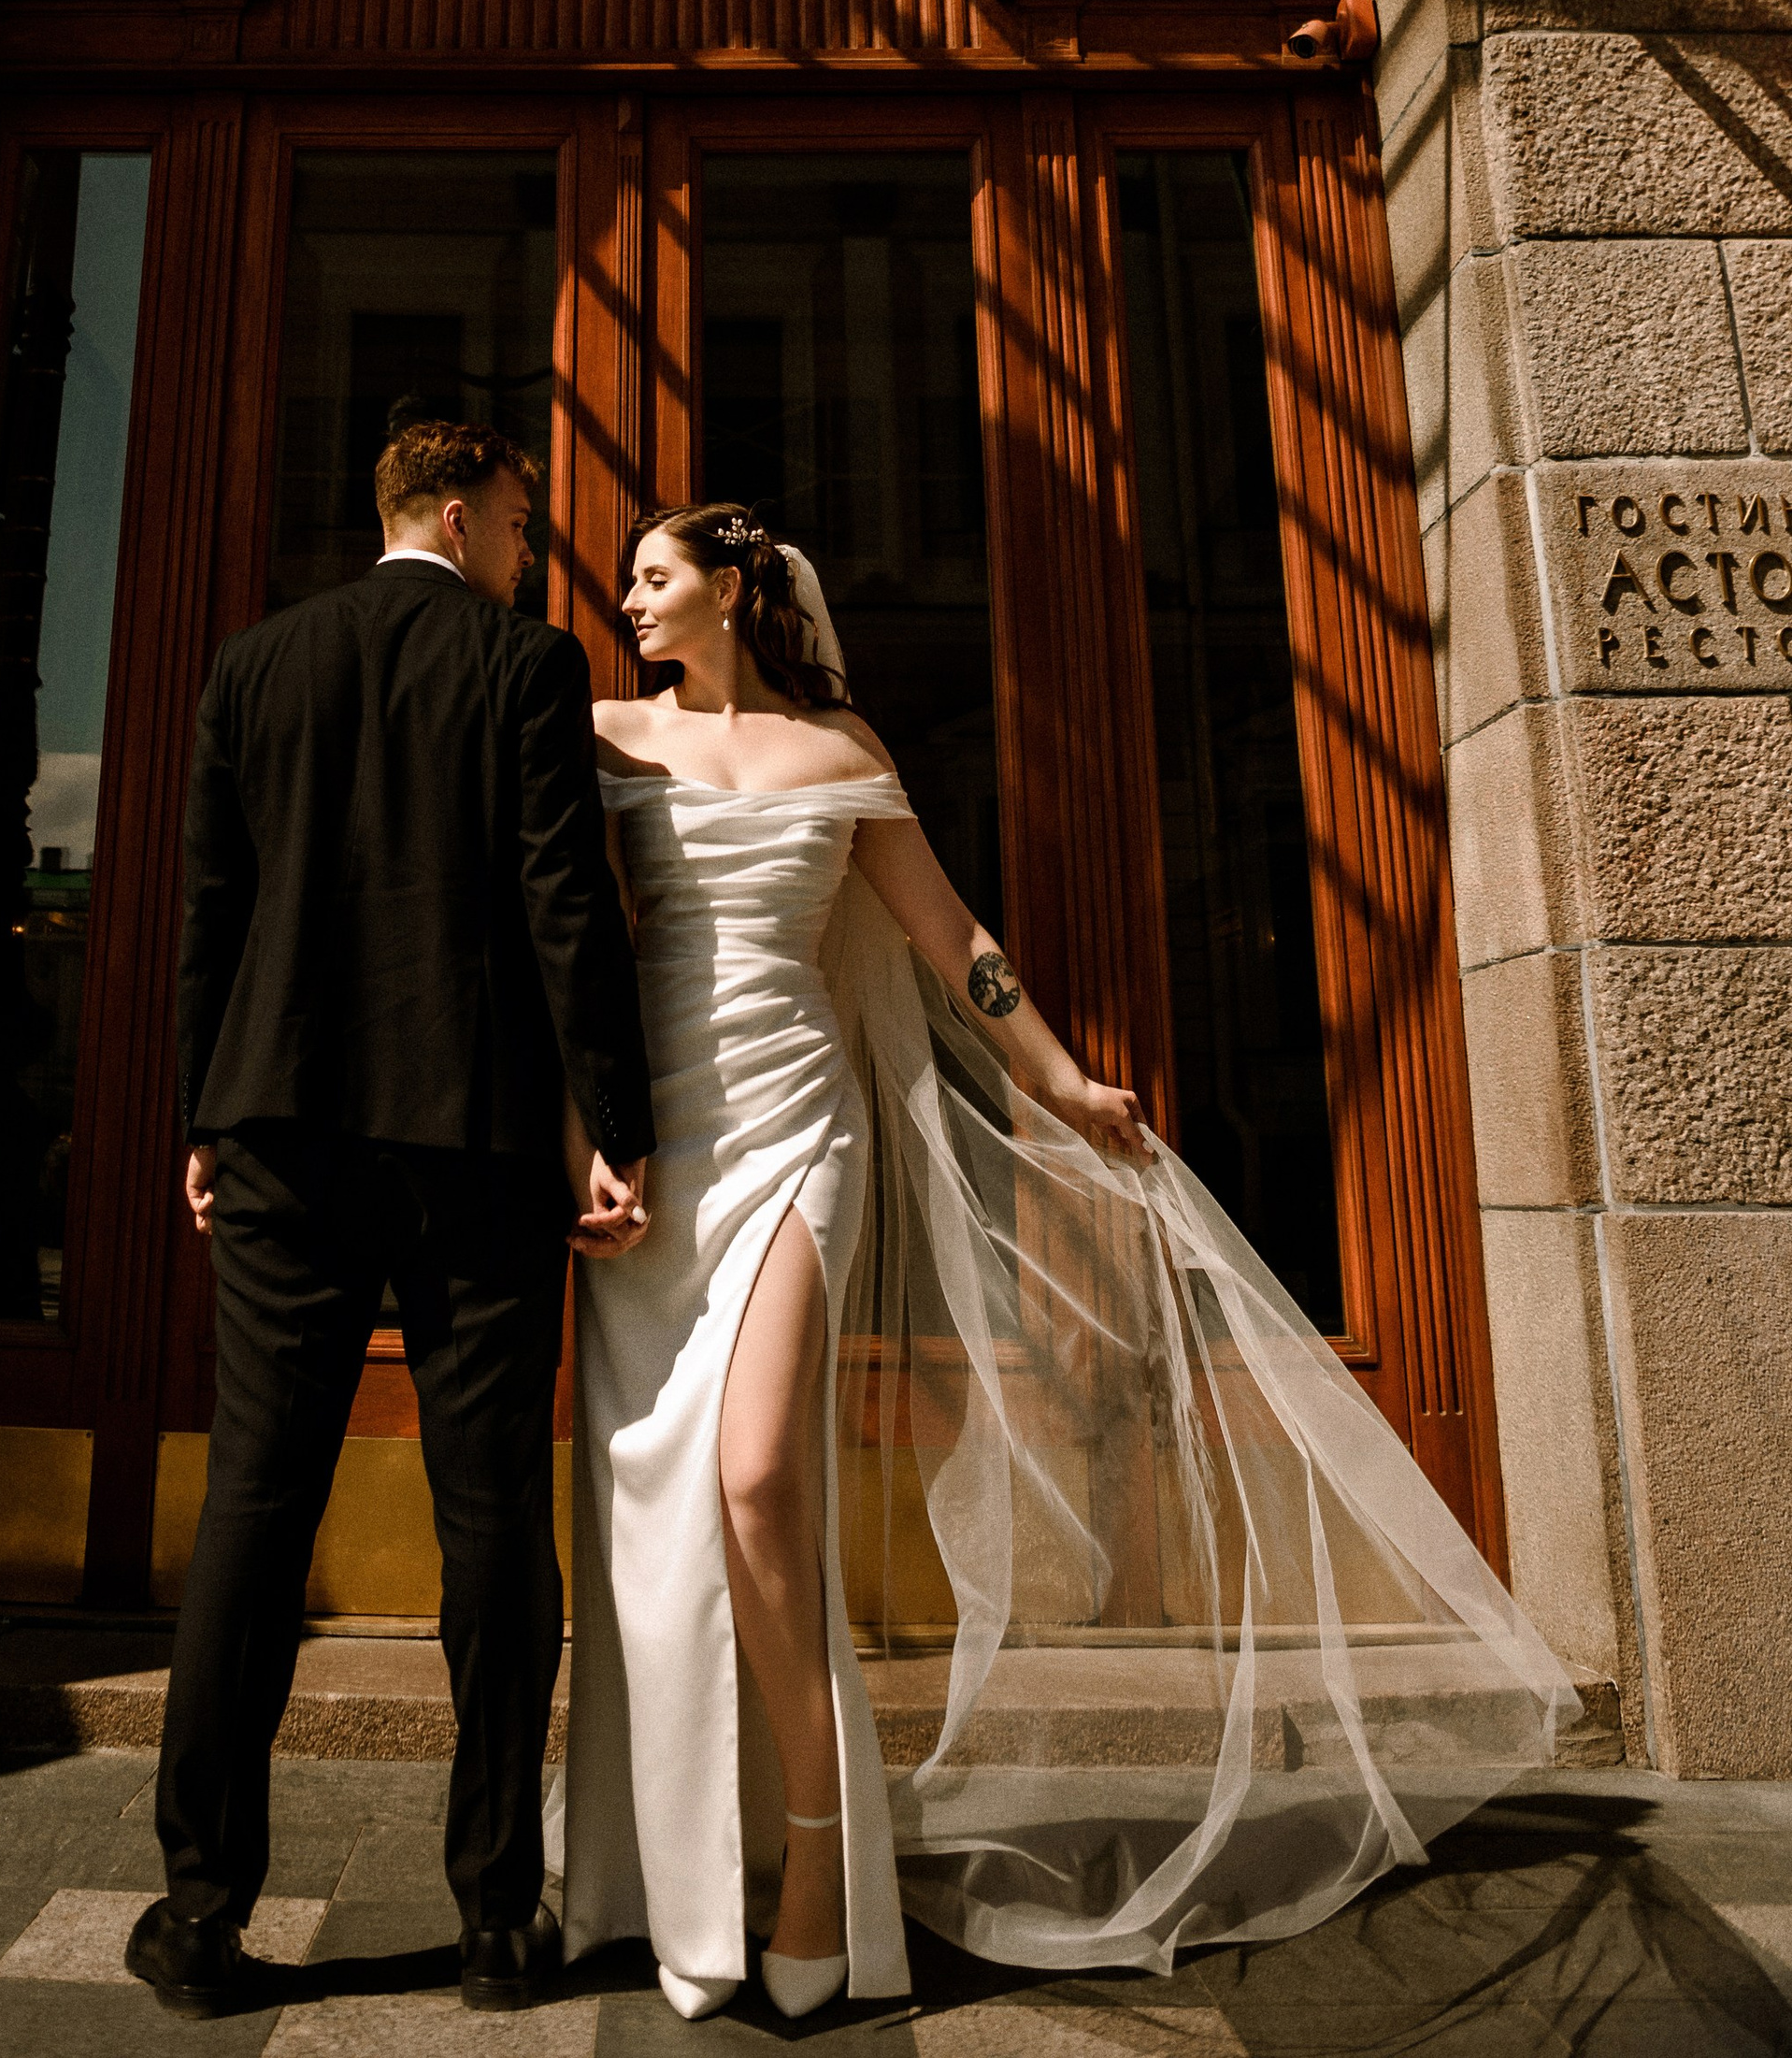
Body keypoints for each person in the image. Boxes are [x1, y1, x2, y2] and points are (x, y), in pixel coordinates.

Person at [559, 503, 1577, 2012]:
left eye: (654, 576)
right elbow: (557, 929)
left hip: (798, 1137)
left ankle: (821, 1845)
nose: (629, 598)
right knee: (659, 1529)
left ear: (735, 590)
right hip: (653, 1151)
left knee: (763, 1475)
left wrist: (1064, 1079)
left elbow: (952, 940)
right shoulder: (604, 736)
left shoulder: (844, 756)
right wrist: (578, 1127)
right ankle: (677, 1866)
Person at [132, 419, 655, 2023]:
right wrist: (614, 1129)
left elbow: (206, 909)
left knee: (253, 1508)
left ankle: (204, 1914)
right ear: (451, 511)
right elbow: (564, 903)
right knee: (489, 1515)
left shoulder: (254, 665)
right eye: (512, 521)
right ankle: (499, 1917)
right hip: (475, 1144)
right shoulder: (524, 665)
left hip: (282, 1128)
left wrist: (205, 1117)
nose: (525, 550)